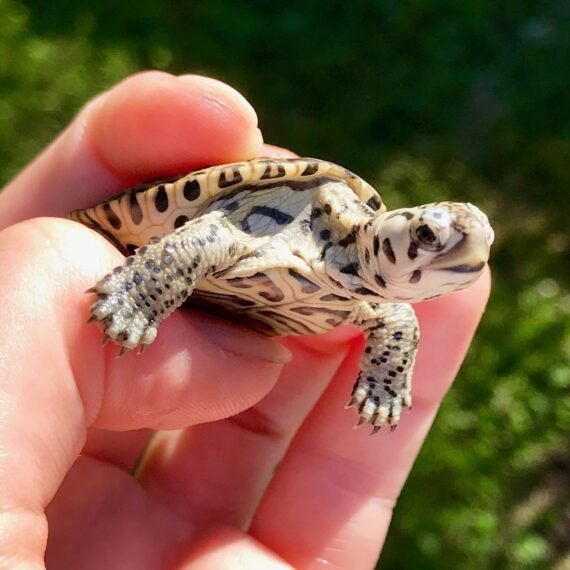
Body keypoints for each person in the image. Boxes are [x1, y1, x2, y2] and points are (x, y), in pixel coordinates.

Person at [0, 72, 490, 569]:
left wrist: (385, 381)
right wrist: (141, 295)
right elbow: (206, 236)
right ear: (382, 231)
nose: (448, 257)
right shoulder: (308, 207)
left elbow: (398, 321)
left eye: (468, 258)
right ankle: (139, 289)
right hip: (174, 237)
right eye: (428, 235)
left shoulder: (385, 308)